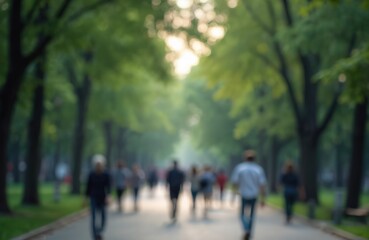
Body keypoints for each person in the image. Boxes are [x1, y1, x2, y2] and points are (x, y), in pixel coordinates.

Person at [231, 150, 267, 240]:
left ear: (245, 158)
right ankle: (249, 230)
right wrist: (263, 198)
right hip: (254, 194)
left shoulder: (240, 168)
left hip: (243, 193)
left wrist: (233, 194)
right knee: (252, 214)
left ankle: (246, 228)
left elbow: (235, 182)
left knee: (242, 214)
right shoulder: (258, 169)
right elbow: (262, 185)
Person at [85, 155, 111, 240]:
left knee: (103, 216)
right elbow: (88, 187)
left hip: (103, 197)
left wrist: (108, 196)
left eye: (100, 164)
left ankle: (99, 231)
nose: (99, 166)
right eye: (97, 164)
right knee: (93, 217)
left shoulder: (106, 174)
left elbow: (108, 186)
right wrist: (85, 198)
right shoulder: (91, 174)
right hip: (93, 197)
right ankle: (95, 235)